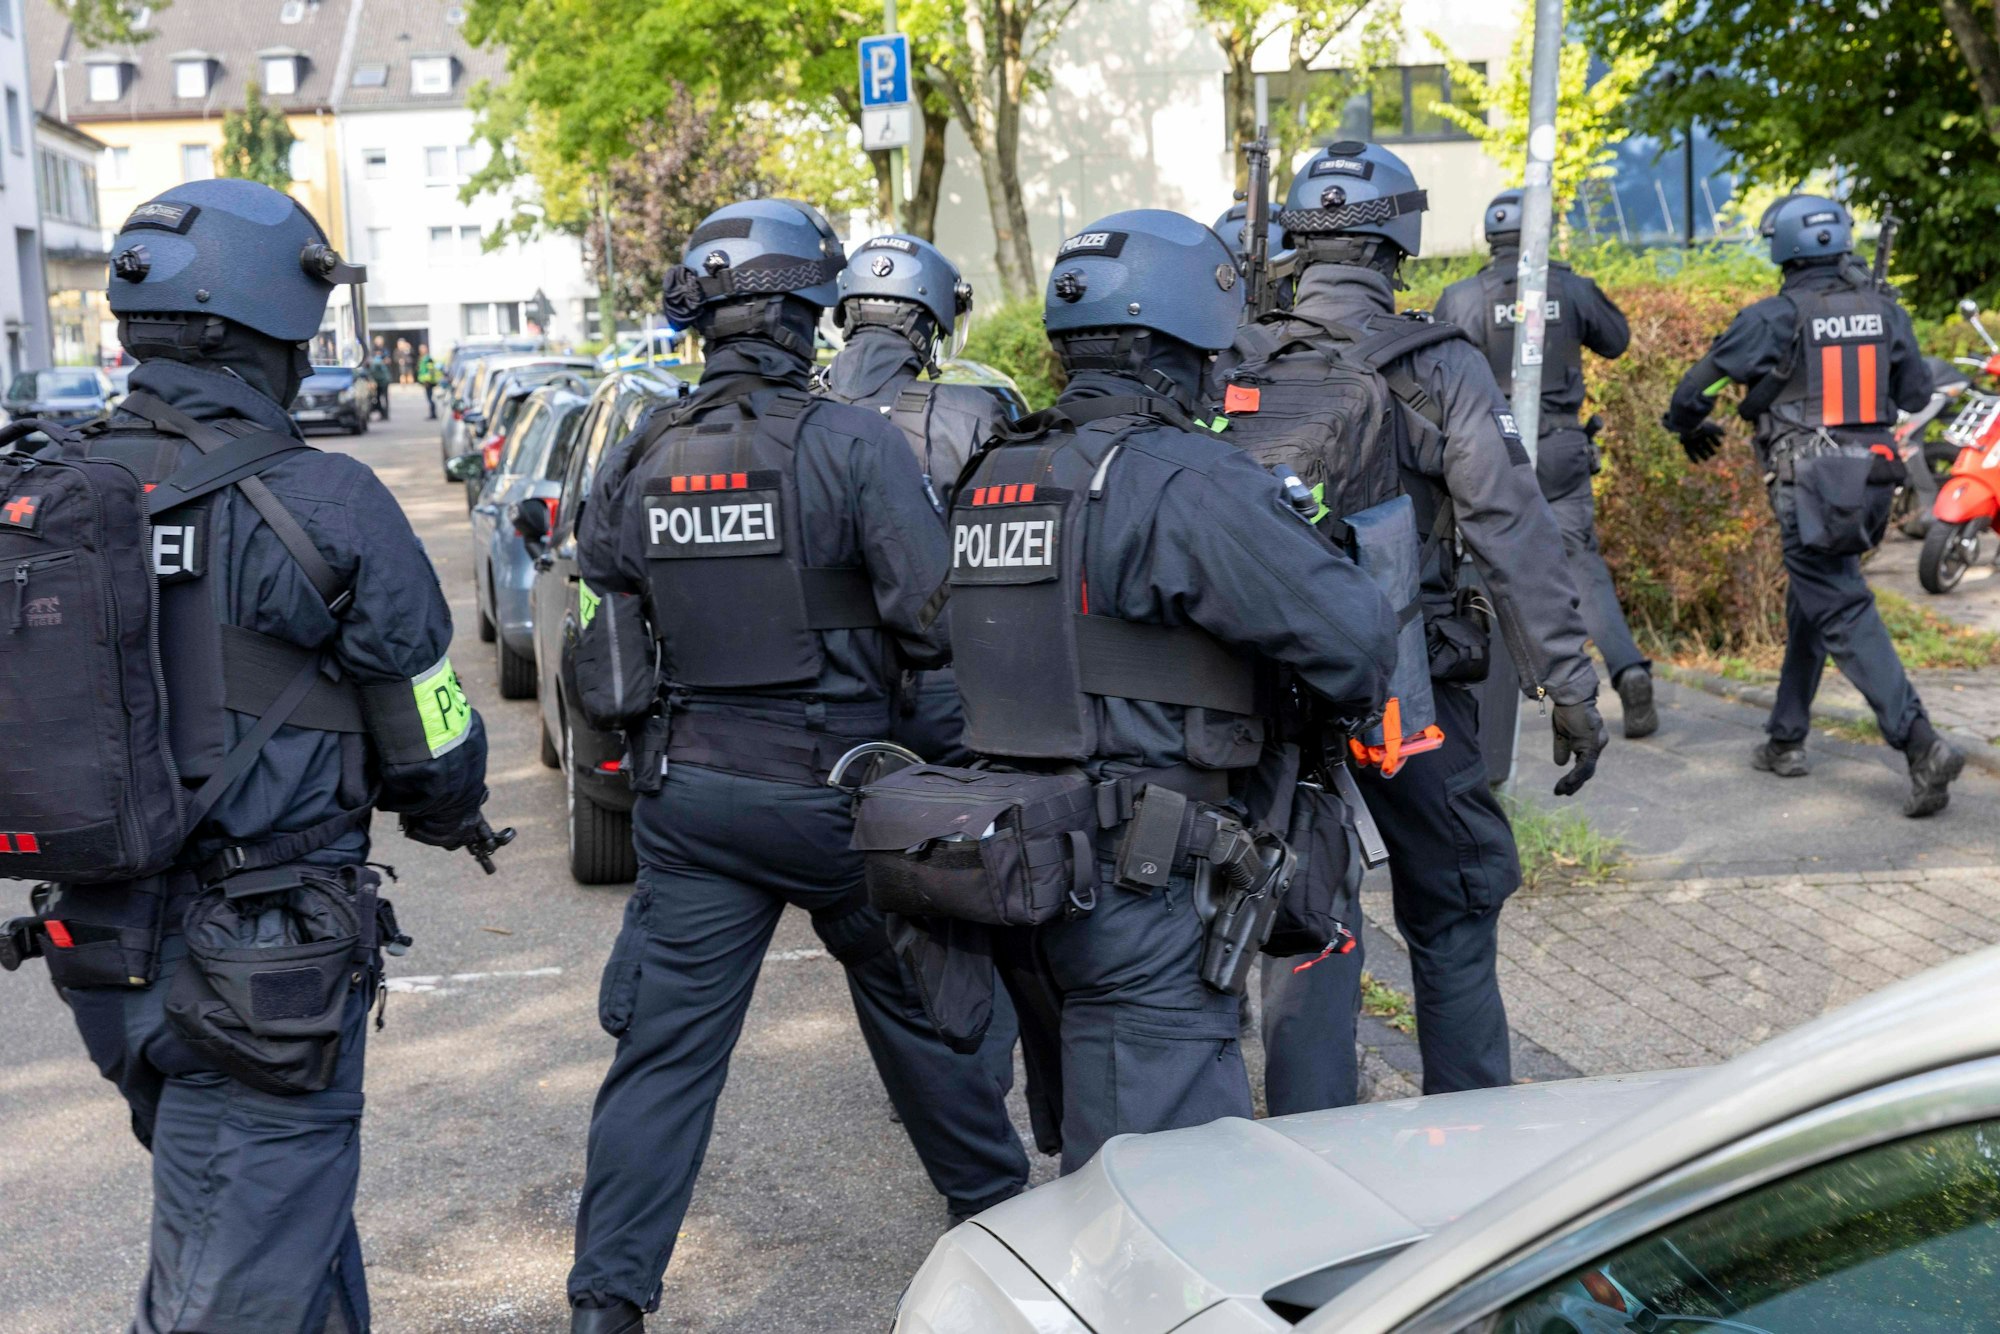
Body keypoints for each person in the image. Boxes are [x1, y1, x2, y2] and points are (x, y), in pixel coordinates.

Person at [0, 179, 501, 1332]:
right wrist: (450, 803)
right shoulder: (325, 497)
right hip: (265, 973)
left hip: (101, 949)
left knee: (277, 1236)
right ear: (274, 325)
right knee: (228, 1296)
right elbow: (430, 736)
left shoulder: (51, 485)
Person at [567, 199, 1031, 1333]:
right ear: (802, 316)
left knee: (664, 1065)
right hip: (838, 799)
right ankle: (1008, 1243)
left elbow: (604, 623)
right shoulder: (854, 444)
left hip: (692, 803)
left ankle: (604, 1307)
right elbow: (935, 621)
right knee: (923, 1023)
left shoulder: (644, 450)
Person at [931, 208, 1399, 1171]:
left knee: (1088, 1167)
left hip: (1022, 875)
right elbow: (1355, 642)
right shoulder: (1186, 479)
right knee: (1167, 1196)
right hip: (1142, 887)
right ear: (1184, 343)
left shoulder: (998, 470)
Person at [1221, 142, 1607, 1114]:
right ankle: (1470, 1147)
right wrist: (1567, 683)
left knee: (1296, 912)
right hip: (1404, 688)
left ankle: (1302, 1150)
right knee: (1453, 898)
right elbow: (1509, 530)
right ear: (1400, 233)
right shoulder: (1435, 362)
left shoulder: (1228, 361)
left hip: (1254, 691)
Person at [1665, 194, 1961, 816]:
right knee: (1818, 598)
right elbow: (1913, 392)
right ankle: (1786, 737)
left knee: (1842, 608)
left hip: (1808, 485)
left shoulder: (1773, 317)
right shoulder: (1885, 311)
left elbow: (1700, 386)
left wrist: (1688, 423)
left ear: (1783, 246)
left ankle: (1921, 743)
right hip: (1874, 483)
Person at [1436, 190, 1655, 738]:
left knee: (1492, 564)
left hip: (1491, 452)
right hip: (1560, 446)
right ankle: (1627, 670)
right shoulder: (1569, 287)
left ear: (1490, 239)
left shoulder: (1463, 297)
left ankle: (1496, 718)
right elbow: (1618, 339)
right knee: (1581, 565)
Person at [819, 232, 1008, 764]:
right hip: (942, 693)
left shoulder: (796, 411)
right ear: (929, 325)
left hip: (821, 692)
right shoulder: (968, 413)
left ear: (848, 315)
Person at [365, 344, 392, 421]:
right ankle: (383, 413)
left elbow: (376, 365)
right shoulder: (375, 360)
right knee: (379, 398)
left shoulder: (375, 361)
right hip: (380, 382)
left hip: (383, 381)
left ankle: (385, 414)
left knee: (383, 398)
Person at [417, 342, 441, 419]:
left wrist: (427, 380)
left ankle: (433, 414)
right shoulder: (423, 358)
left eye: (423, 349)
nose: (421, 350)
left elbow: (431, 371)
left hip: (429, 382)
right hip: (426, 381)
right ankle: (432, 414)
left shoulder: (428, 359)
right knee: (429, 398)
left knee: (430, 398)